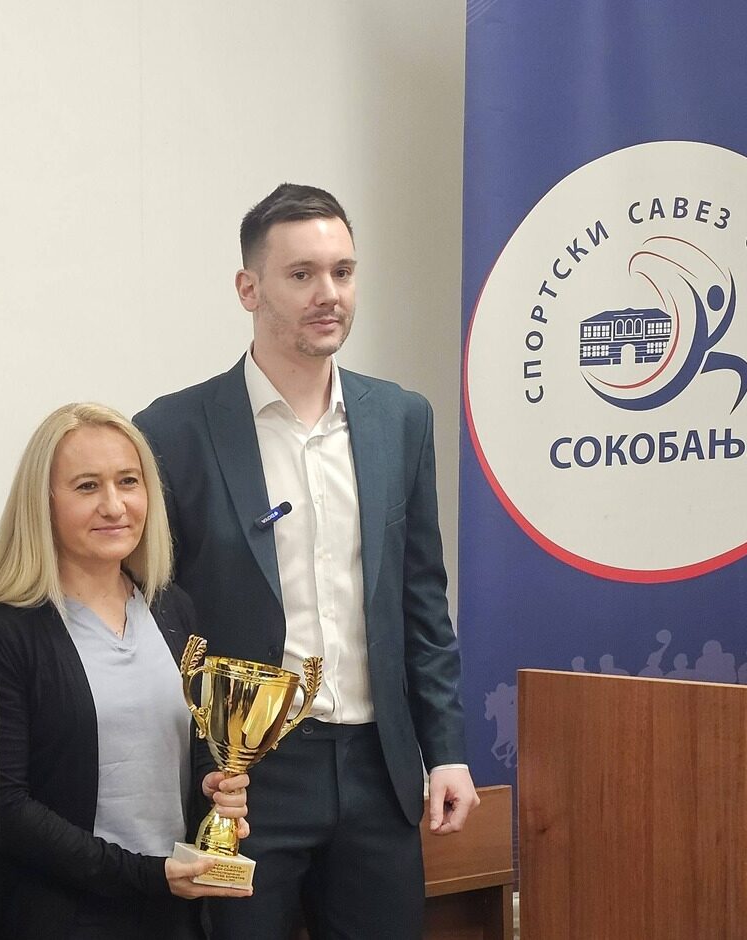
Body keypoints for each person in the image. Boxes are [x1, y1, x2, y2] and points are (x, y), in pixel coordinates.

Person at [135, 184, 479, 939]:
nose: (330, 294)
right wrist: (195, 769)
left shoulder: (401, 419)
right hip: (245, 782)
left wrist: (447, 752)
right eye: (302, 275)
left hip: (378, 767)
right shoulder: (174, 429)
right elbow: (156, 618)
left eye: (343, 272)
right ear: (248, 288)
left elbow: (422, 601)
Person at [0, 402, 254, 940]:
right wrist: (145, 875)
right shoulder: (7, 629)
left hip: (175, 912)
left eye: (128, 481)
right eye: (87, 487)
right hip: (65, 917)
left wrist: (216, 789)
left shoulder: (173, 609)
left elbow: (196, 741)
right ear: (44, 502)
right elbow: (5, 806)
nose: (114, 505)